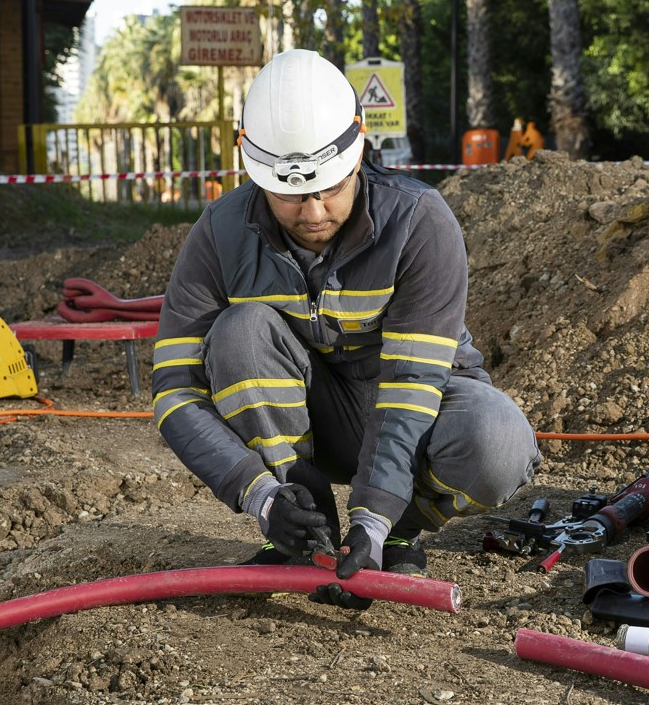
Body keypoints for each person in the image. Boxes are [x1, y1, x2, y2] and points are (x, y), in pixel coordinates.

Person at [152, 49, 540, 604]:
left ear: (358, 156)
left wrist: (377, 518)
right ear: (255, 172)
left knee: (499, 445)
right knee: (241, 331)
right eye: (289, 194)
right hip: (313, 424)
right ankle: (303, 526)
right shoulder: (219, 234)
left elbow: (410, 387)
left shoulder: (417, 222)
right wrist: (262, 495)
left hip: (416, 410)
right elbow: (174, 393)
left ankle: (402, 525)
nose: (312, 213)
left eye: (330, 188)